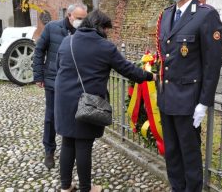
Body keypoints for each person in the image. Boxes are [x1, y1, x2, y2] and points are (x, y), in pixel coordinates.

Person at [54, 10, 156, 192]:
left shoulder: (66, 41)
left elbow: (58, 67)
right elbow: (128, 70)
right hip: (88, 102)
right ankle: (86, 188)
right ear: (99, 27)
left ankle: (65, 186)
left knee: (68, 142)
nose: (107, 33)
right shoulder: (104, 47)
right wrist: (150, 76)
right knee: (84, 144)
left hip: (63, 100)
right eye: (106, 29)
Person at [155, 0, 222, 192]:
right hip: (167, 98)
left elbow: (212, 64)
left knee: (189, 156)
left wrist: (203, 103)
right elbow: (165, 58)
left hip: (188, 101)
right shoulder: (166, 15)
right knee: (171, 154)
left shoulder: (205, 15)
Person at [33, 3, 88, 169]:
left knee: (76, 115)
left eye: (84, 19)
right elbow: (39, 51)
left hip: (75, 83)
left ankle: (73, 149)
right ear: (69, 15)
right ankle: (49, 150)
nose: (82, 21)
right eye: (79, 18)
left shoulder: (83, 31)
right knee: (51, 117)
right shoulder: (52, 28)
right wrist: (38, 75)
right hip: (53, 80)